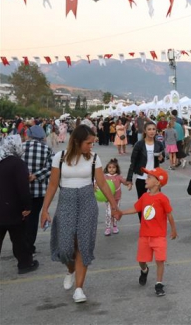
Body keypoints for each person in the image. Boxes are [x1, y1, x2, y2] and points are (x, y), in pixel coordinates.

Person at [40, 125, 121, 303]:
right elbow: (52, 185)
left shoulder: (94, 158)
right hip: (66, 202)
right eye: (88, 143)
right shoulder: (59, 157)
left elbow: (102, 183)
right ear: (77, 141)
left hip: (87, 202)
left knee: (83, 243)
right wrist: (44, 210)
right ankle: (70, 270)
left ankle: (79, 289)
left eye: (93, 143)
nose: (91, 146)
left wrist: (114, 206)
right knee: (65, 247)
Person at [120, 167, 177, 297]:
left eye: (149, 177)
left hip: (159, 236)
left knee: (160, 260)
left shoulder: (163, 198)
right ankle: (144, 270)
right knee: (141, 260)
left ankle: (159, 284)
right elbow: (136, 208)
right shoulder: (144, 196)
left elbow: (169, 214)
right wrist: (121, 212)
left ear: (157, 182)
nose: (146, 179)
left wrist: (173, 230)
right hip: (145, 235)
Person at [0, 135, 39, 274]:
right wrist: (27, 206)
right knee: (19, 238)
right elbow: (23, 187)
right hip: (13, 209)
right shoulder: (17, 163)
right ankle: (25, 264)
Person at [22, 124, 53, 255]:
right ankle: (29, 247)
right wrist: (36, 175)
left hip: (20, 191)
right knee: (33, 219)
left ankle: (20, 246)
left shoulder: (20, 147)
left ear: (29, 135)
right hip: (38, 191)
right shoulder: (47, 149)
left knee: (20, 219)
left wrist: (24, 176)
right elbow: (51, 167)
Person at [127, 122, 164, 203]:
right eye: (149, 129)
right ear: (145, 131)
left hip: (155, 178)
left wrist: (161, 158)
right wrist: (129, 179)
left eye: (153, 129)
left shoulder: (159, 144)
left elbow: (162, 158)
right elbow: (133, 162)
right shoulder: (139, 144)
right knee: (142, 202)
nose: (152, 131)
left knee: (156, 202)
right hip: (142, 177)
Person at [102, 158, 129, 236]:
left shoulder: (118, 177)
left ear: (117, 168)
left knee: (116, 212)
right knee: (108, 213)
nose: (111, 169)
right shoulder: (105, 177)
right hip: (108, 198)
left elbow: (125, 182)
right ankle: (108, 227)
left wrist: (129, 183)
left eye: (114, 167)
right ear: (107, 168)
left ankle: (115, 226)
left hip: (117, 198)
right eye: (109, 167)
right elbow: (100, 183)